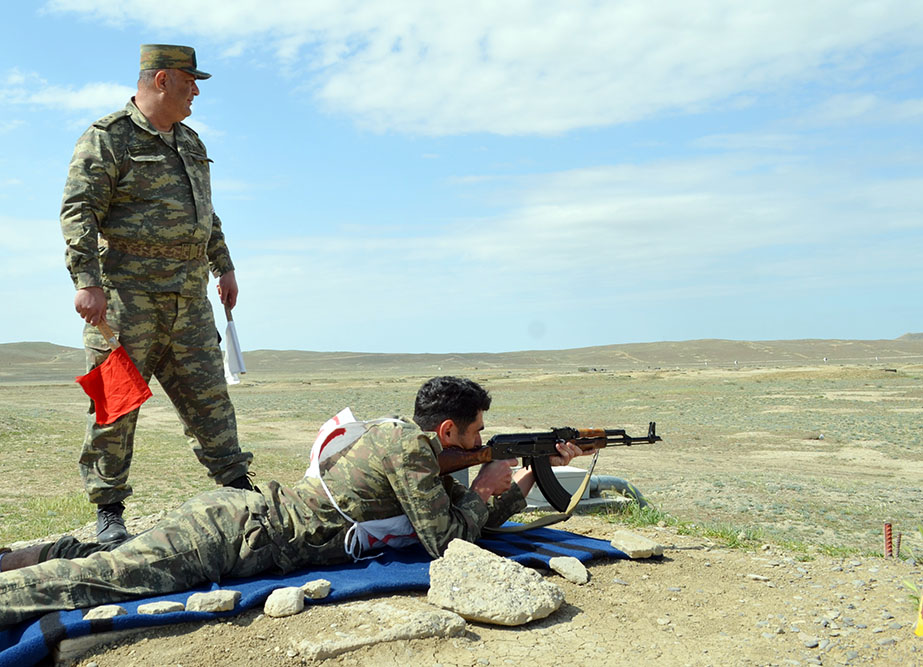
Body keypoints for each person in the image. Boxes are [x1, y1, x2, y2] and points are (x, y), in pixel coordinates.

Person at [0, 377, 585, 630]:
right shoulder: (408, 449)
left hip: (240, 520)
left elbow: (449, 512)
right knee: (98, 582)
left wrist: (524, 481)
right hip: (236, 534)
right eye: (478, 432)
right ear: (450, 429)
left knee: (105, 558)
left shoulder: (405, 441)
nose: (484, 442)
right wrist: (495, 491)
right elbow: (445, 540)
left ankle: (19, 558)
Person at [59, 44, 253, 544]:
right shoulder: (108, 138)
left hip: (188, 300)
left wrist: (223, 266)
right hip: (126, 301)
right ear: (162, 79)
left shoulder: (189, 141)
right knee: (114, 405)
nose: (196, 92)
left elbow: (206, 212)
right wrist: (87, 281)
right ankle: (109, 510)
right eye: (191, 81)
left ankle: (237, 488)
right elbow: (80, 210)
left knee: (210, 400)